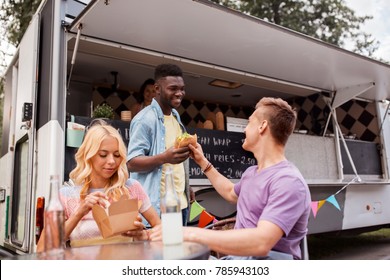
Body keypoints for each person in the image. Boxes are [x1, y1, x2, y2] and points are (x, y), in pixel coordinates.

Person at [179, 97, 311, 260]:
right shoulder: (251, 172)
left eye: (249, 123)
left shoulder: (289, 181)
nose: (244, 130)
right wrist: (201, 161)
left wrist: (190, 234)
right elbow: (229, 192)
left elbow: (261, 243)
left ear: (262, 126)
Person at [37, 122, 161, 252]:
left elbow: (161, 231)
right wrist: (80, 212)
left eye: (117, 155)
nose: (112, 161)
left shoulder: (131, 188)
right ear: (88, 156)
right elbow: (43, 248)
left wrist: (143, 235)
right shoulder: (66, 195)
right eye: (103, 155)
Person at [127, 64, 192, 226]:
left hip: (181, 204)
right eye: (173, 88)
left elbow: (176, 163)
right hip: (157, 209)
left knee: (177, 251)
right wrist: (164, 157)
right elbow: (131, 163)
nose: (179, 93)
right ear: (157, 89)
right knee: (157, 252)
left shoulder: (176, 117)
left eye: (182, 88)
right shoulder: (145, 119)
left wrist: (186, 187)